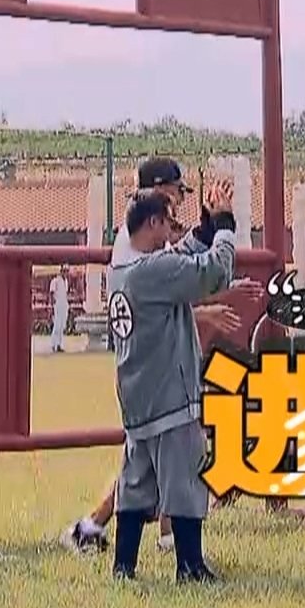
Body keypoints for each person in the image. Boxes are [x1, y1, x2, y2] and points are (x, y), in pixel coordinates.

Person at [60, 159, 305, 557]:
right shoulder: (144, 251)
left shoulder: (134, 242)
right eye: (177, 194)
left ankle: (107, 533)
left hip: (155, 373)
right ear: (158, 192)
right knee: (179, 449)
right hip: (164, 372)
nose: (179, 204)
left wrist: (205, 231)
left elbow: (173, 276)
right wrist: (222, 228)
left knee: (154, 459)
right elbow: (200, 273)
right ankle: (157, 541)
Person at [106, 183, 239, 582]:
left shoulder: (122, 268)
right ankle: (190, 566)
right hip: (170, 396)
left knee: (135, 486)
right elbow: (212, 272)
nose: (172, 231)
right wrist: (225, 226)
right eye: (168, 223)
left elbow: (177, 257)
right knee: (185, 481)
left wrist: (204, 227)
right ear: (152, 223)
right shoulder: (153, 271)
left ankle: (124, 566)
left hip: (138, 397)